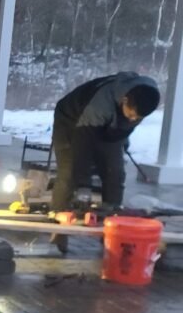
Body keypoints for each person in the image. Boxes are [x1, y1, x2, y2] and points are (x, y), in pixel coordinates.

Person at [50, 72, 160, 251]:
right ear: (124, 100)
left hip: (107, 123)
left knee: (115, 172)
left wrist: (117, 140)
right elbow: (83, 146)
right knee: (69, 172)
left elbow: (122, 130)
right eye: (131, 114)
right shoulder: (100, 104)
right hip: (71, 119)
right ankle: (58, 230)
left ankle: (113, 229)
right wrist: (83, 185)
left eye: (137, 118)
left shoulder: (144, 101)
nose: (133, 119)